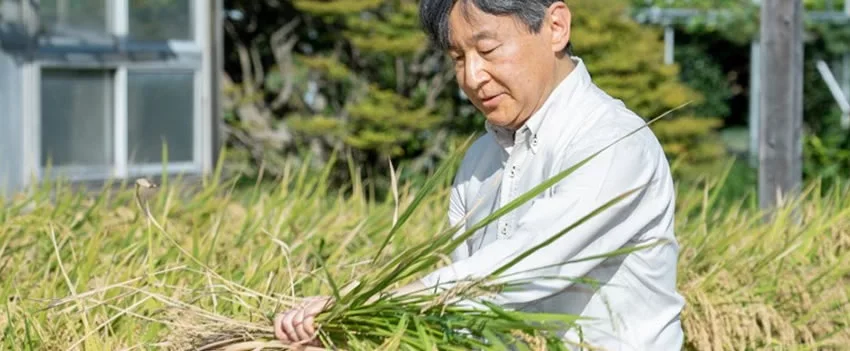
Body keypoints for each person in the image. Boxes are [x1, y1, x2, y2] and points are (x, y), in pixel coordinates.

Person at [274, 0, 686, 349]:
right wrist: (346, 331)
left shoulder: (613, 142)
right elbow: (464, 318)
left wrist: (364, 303)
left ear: (556, 27)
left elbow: (519, 269)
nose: (472, 78)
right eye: (458, 58)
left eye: (487, 50)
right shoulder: (479, 161)